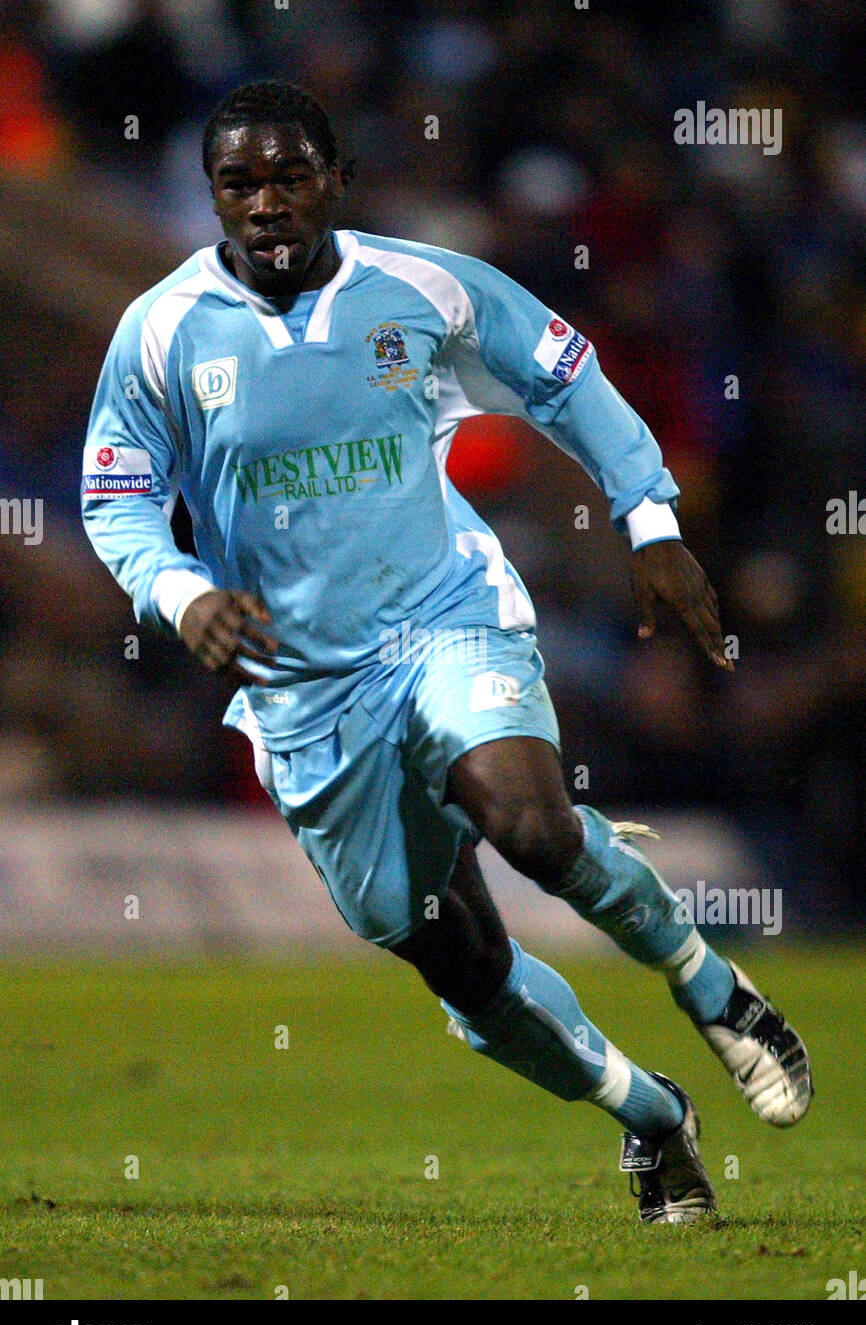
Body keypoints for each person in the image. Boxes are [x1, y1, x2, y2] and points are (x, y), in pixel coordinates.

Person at [81, 81, 812, 1225]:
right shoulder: (163, 331)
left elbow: (564, 377)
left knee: (527, 819)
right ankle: (651, 1117)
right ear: (214, 195)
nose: (265, 204)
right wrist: (178, 591)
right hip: (299, 693)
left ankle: (714, 989)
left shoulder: (422, 287)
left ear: (336, 180)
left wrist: (652, 521)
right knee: (455, 959)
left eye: (287, 177)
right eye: (239, 184)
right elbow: (115, 498)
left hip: (442, 616)